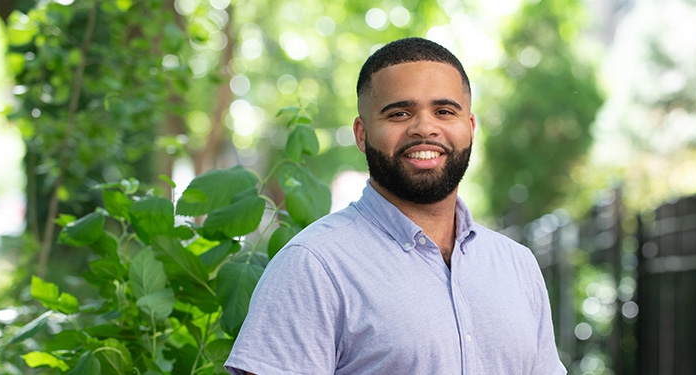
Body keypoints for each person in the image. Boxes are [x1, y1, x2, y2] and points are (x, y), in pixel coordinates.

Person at [225, 37, 566, 375]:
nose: (424, 128)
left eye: (444, 111)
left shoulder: (517, 266)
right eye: (400, 113)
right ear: (362, 134)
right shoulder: (313, 267)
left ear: (470, 127)